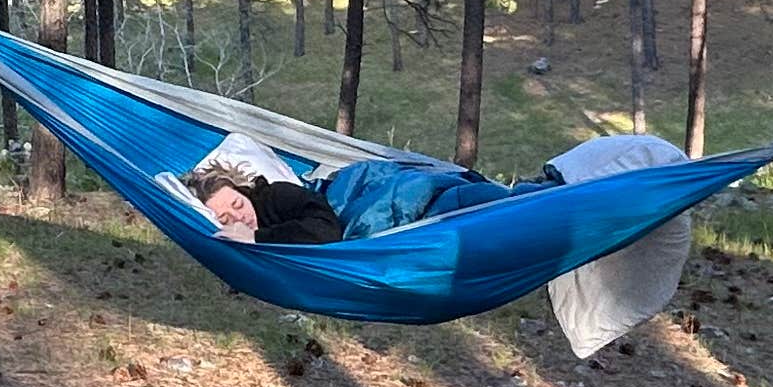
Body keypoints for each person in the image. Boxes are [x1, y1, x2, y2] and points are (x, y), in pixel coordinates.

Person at [188, 143, 557, 247]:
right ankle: (546, 197)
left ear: (245, 191)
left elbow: (326, 231)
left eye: (237, 204)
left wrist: (256, 237)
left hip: (391, 198)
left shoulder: (277, 197)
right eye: (226, 219)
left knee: (490, 204)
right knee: (500, 217)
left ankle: (550, 193)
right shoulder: (255, 227)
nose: (239, 217)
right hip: (417, 215)